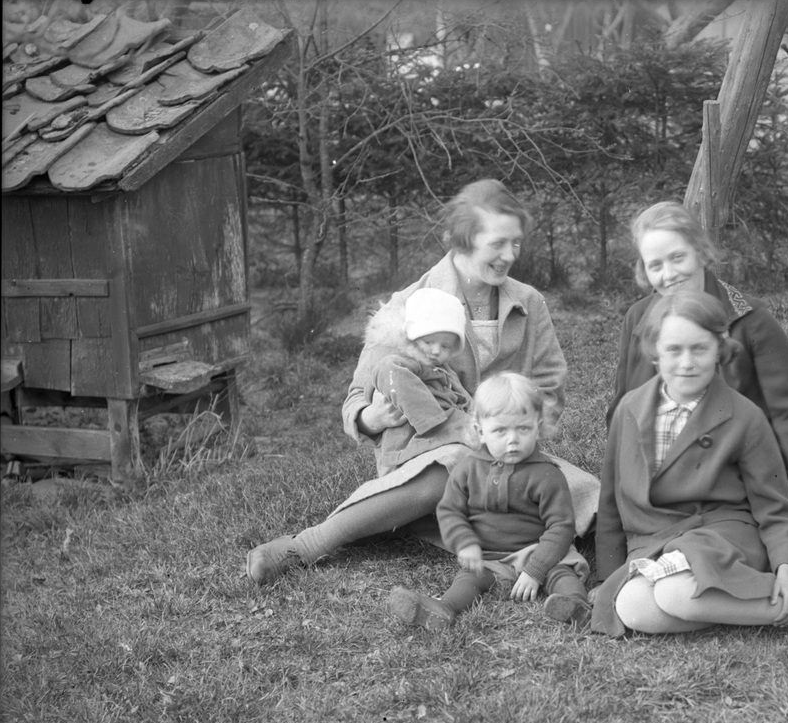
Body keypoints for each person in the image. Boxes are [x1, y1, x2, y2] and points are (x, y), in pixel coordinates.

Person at [246, 180, 599, 584]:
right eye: (498, 244)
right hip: (426, 459)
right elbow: (356, 397)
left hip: (507, 450)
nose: (510, 255)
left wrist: (516, 430)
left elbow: (550, 383)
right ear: (463, 239)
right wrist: (370, 418)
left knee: (589, 493)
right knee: (455, 462)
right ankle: (309, 543)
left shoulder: (529, 302)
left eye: (516, 243)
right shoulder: (410, 305)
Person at [589, 291, 788, 656]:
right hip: (657, 539)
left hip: (725, 534)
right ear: (654, 353)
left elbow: (775, 507)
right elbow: (611, 498)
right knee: (632, 607)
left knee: (674, 593)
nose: (687, 363)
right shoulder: (629, 408)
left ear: (719, 349)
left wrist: (786, 569)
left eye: (700, 349)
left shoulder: (744, 416)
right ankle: (748, 595)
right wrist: (607, 574)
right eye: (674, 350)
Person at [607, 201, 788, 582]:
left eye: (678, 257)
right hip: (665, 482)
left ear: (701, 251)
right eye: (655, 265)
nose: (669, 274)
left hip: (739, 481)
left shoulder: (750, 319)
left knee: (730, 532)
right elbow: (623, 410)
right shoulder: (638, 319)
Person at [387, 373, 590, 629]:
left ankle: (575, 604)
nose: (512, 439)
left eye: (523, 428)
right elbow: (450, 511)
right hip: (490, 557)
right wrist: (464, 542)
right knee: (469, 579)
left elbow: (561, 527)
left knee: (561, 571)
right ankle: (442, 609)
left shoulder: (547, 474)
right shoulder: (467, 470)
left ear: (538, 426)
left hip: (537, 550)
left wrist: (535, 570)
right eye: (500, 430)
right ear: (480, 432)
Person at [368, 287, 477, 474]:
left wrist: (473, 416)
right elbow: (387, 371)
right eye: (428, 342)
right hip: (411, 446)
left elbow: (462, 395)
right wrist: (435, 422)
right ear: (412, 336)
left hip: (442, 438)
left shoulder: (442, 368)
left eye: (445, 346)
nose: (436, 350)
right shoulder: (399, 362)